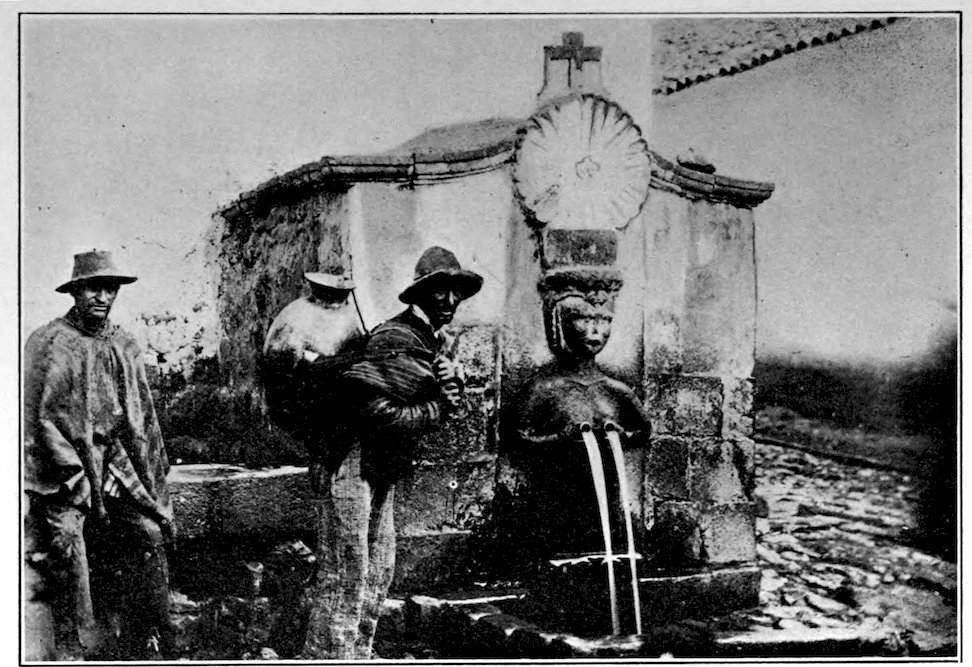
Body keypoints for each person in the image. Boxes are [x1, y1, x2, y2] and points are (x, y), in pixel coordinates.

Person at [302, 246, 483, 660]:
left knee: (378, 569)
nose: (450, 301)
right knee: (347, 571)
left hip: (381, 463)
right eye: (440, 291)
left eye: (456, 291)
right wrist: (438, 404)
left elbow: (436, 399)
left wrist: (450, 385)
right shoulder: (395, 337)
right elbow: (376, 411)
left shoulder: (432, 342)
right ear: (420, 294)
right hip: (349, 458)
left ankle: (359, 654)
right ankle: (327, 658)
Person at [24, 250, 175, 661]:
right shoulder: (50, 344)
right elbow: (39, 422)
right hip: (65, 471)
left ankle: (148, 639)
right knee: (68, 544)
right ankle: (73, 646)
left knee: (149, 532)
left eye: (110, 289)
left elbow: (139, 421)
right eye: (93, 288)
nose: (102, 297)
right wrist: (77, 474)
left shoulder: (123, 343)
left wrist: (122, 470)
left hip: (114, 464)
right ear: (75, 292)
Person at [514, 267, 651, 558]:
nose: (596, 331)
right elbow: (518, 437)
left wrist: (622, 435)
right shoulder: (544, 388)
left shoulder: (616, 390)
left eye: (605, 320)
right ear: (560, 322)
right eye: (584, 319)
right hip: (557, 507)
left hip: (605, 510)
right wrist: (558, 439)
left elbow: (643, 429)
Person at [261, 271, 365, 479]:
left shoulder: (348, 315)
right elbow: (281, 366)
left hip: (336, 408)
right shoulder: (297, 315)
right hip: (303, 404)